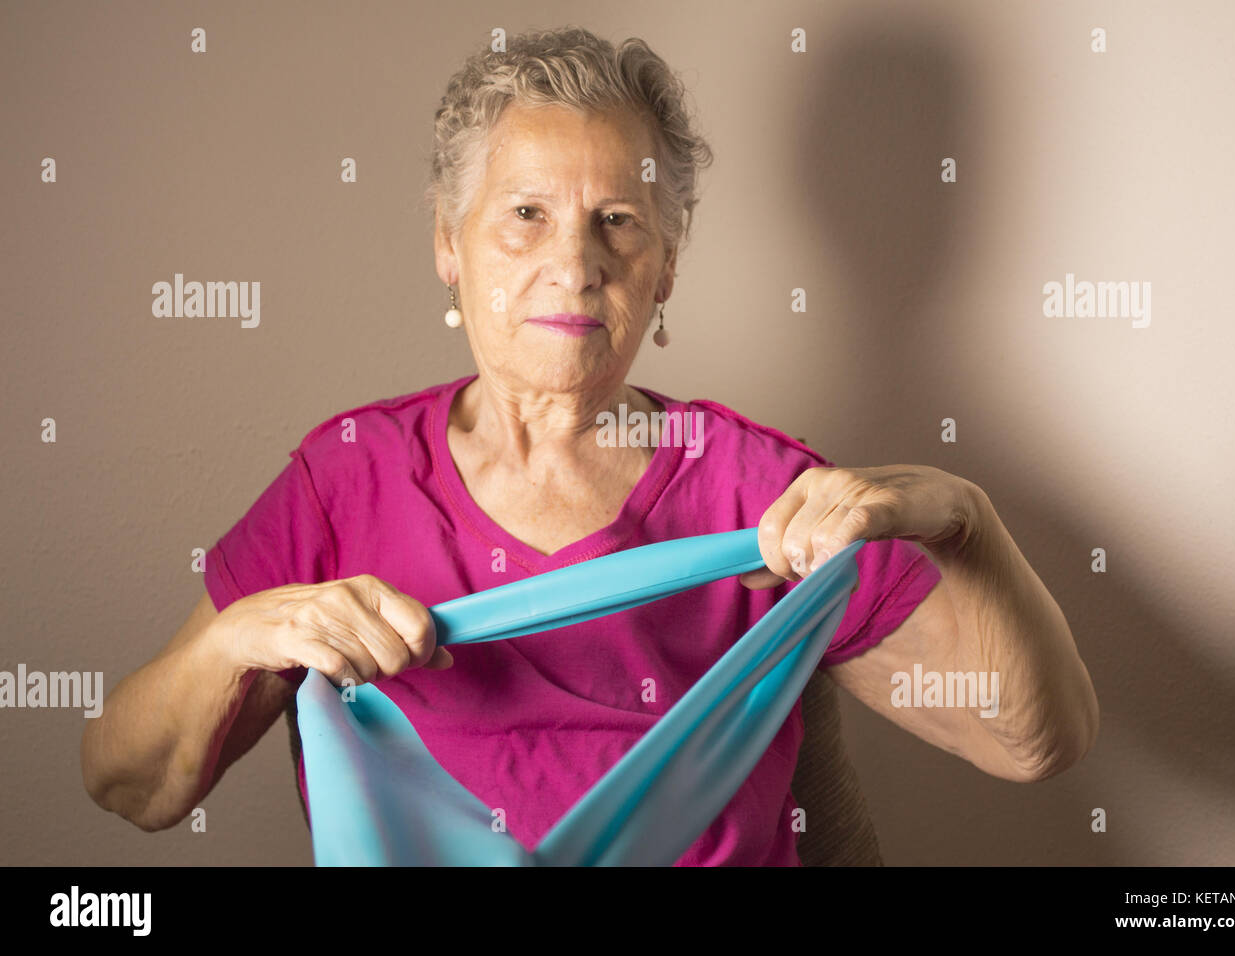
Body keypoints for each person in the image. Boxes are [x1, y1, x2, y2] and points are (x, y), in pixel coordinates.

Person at [81, 26, 1098, 866]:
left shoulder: (767, 493)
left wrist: (964, 519)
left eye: (617, 220)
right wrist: (241, 637)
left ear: (665, 268)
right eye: (526, 215)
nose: (573, 263)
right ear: (449, 240)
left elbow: (1032, 738)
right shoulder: (346, 479)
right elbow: (126, 781)